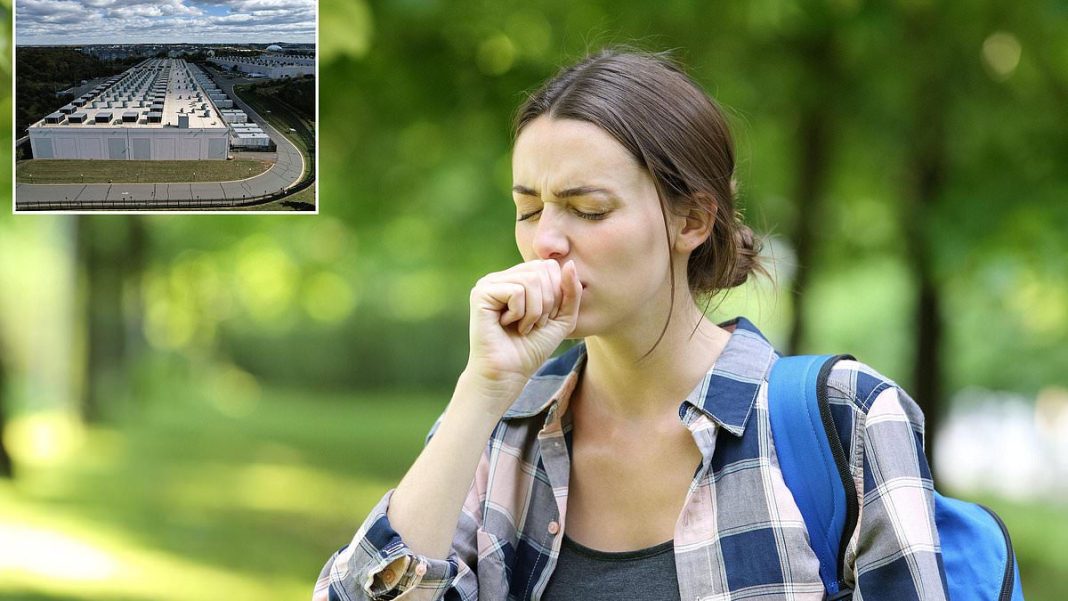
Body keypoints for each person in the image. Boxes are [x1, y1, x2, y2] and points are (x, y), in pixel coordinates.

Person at [314, 48, 947, 601]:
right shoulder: (497, 430)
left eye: (588, 209)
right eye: (528, 209)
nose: (545, 241)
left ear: (691, 220)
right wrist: (481, 391)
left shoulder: (850, 418)